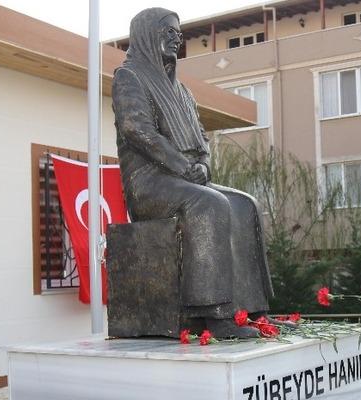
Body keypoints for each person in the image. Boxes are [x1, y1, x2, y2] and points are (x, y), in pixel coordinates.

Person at [112, 8, 272, 338]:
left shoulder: (184, 93)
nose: (177, 38)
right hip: (149, 183)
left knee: (245, 204)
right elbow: (137, 130)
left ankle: (250, 311)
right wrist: (183, 167)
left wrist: (202, 166)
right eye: (168, 32)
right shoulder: (129, 77)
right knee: (209, 205)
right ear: (146, 34)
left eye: (178, 33)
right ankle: (214, 315)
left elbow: (202, 139)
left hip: (187, 178)